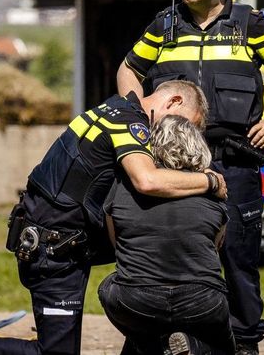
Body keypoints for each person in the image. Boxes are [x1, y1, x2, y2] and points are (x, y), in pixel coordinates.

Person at [0, 80, 225, 355]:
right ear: (174, 100)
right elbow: (148, 181)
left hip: (61, 243)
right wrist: (210, 181)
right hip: (52, 250)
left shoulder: (116, 110)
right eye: (186, 123)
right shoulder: (129, 122)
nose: (180, 133)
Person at [117, 0, 264, 354]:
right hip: (176, 169)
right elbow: (128, 69)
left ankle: (244, 344)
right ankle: (174, 339)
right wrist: (138, 120)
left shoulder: (248, 26)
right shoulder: (164, 26)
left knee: (239, 261)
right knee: (171, 255)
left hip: (234, 166)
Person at [98, 114, 235, 355]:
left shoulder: (123, 185)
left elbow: (116, 243)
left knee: (108, 288)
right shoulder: (215, 192)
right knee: (221, 344)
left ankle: (155, 345)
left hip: (136, 297)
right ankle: (191, 345)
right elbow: (214, 248)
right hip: (202, 299)